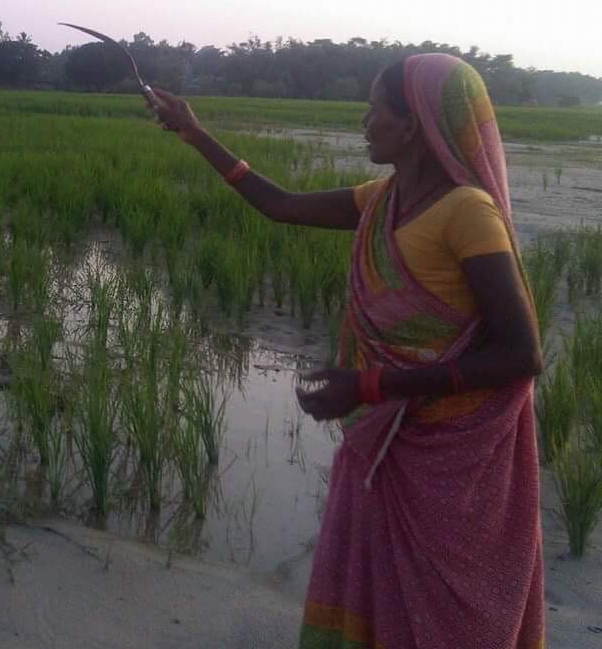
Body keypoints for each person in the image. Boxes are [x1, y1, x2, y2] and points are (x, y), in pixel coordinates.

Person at [149, 52, 544, 649]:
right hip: (384, 444)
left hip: (446, 455)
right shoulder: (383, 201)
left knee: (450, 612)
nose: (364, 121)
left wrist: (369, 387)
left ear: (415, 125)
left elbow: (521, 354)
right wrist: (195, 133)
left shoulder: (468, 213)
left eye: (375, 110)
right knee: (380, 594)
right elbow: (279, 205)